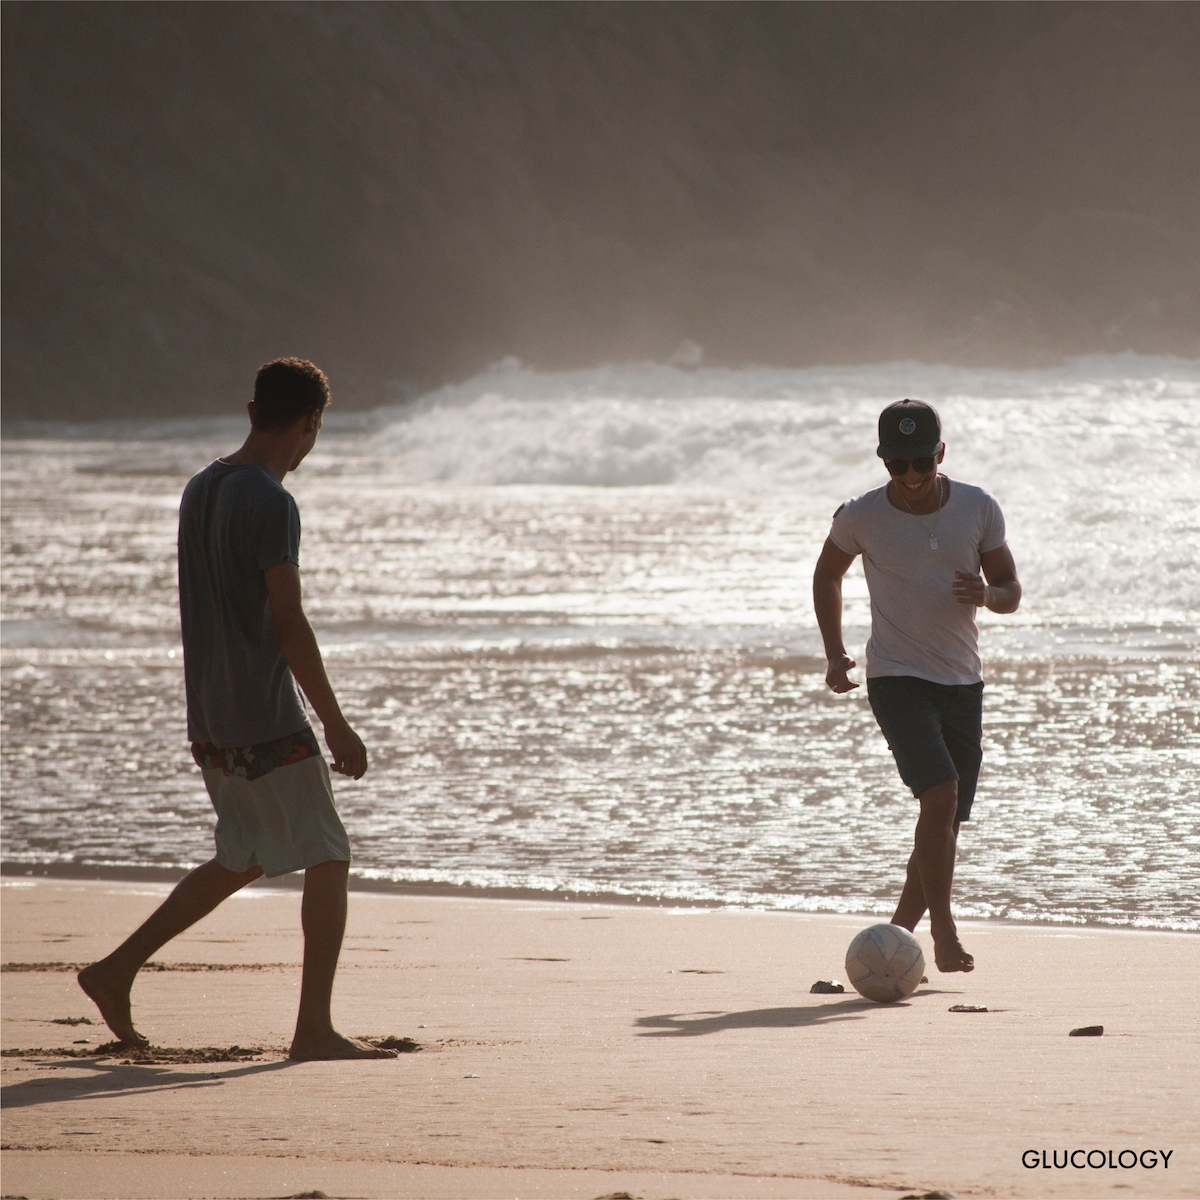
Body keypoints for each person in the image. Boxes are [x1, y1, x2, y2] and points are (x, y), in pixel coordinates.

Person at [79, 357, 396, 1060]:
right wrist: (335, 722)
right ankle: (314, 1029)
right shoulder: (272, 502)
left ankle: (114, 970)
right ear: (310, 424)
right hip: (264, 714)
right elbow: (289, 622)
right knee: (329, 851)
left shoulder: (203, 487)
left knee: (242, 853)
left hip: (211, 716)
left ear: (254, 413)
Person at [812, 399, 1021, 973]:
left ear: (940, 454)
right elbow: (827, 573)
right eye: (895, 464)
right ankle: (945, 938)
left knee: (944, 821)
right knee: (941, 796)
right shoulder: (861, 516)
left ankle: (894, 940)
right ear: (882, 460)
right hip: (897, 677)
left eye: (920, 462)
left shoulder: (977, 508)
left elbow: (1009, 588)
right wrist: (835, 653)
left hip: (962, 679)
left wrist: (989, 597)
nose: (908, 477)